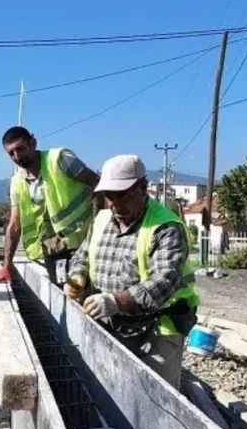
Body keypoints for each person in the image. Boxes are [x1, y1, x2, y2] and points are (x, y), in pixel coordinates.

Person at [64, 154, 200, 389]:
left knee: (156, 399)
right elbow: (82, 255)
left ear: (143, 188)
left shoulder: (166, 227)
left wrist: (117, 301)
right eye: (109, 196)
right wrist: (78, 276)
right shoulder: (102, 219)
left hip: (156, 331)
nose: (115, 203)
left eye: (122, 194)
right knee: (112, 391)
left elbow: (165, 279)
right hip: (110, 325)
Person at [0, 126, 99, 285]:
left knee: (88, 293)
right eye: (11, 153)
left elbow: (97, 183)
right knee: (65, 293)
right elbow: (14, 224)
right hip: (53, 250)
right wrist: (7, 265)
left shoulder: (59, 159)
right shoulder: (17, 182)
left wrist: (100, 226)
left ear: (33, 143)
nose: (17, 156)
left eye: (20, 149)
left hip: (83, 244)